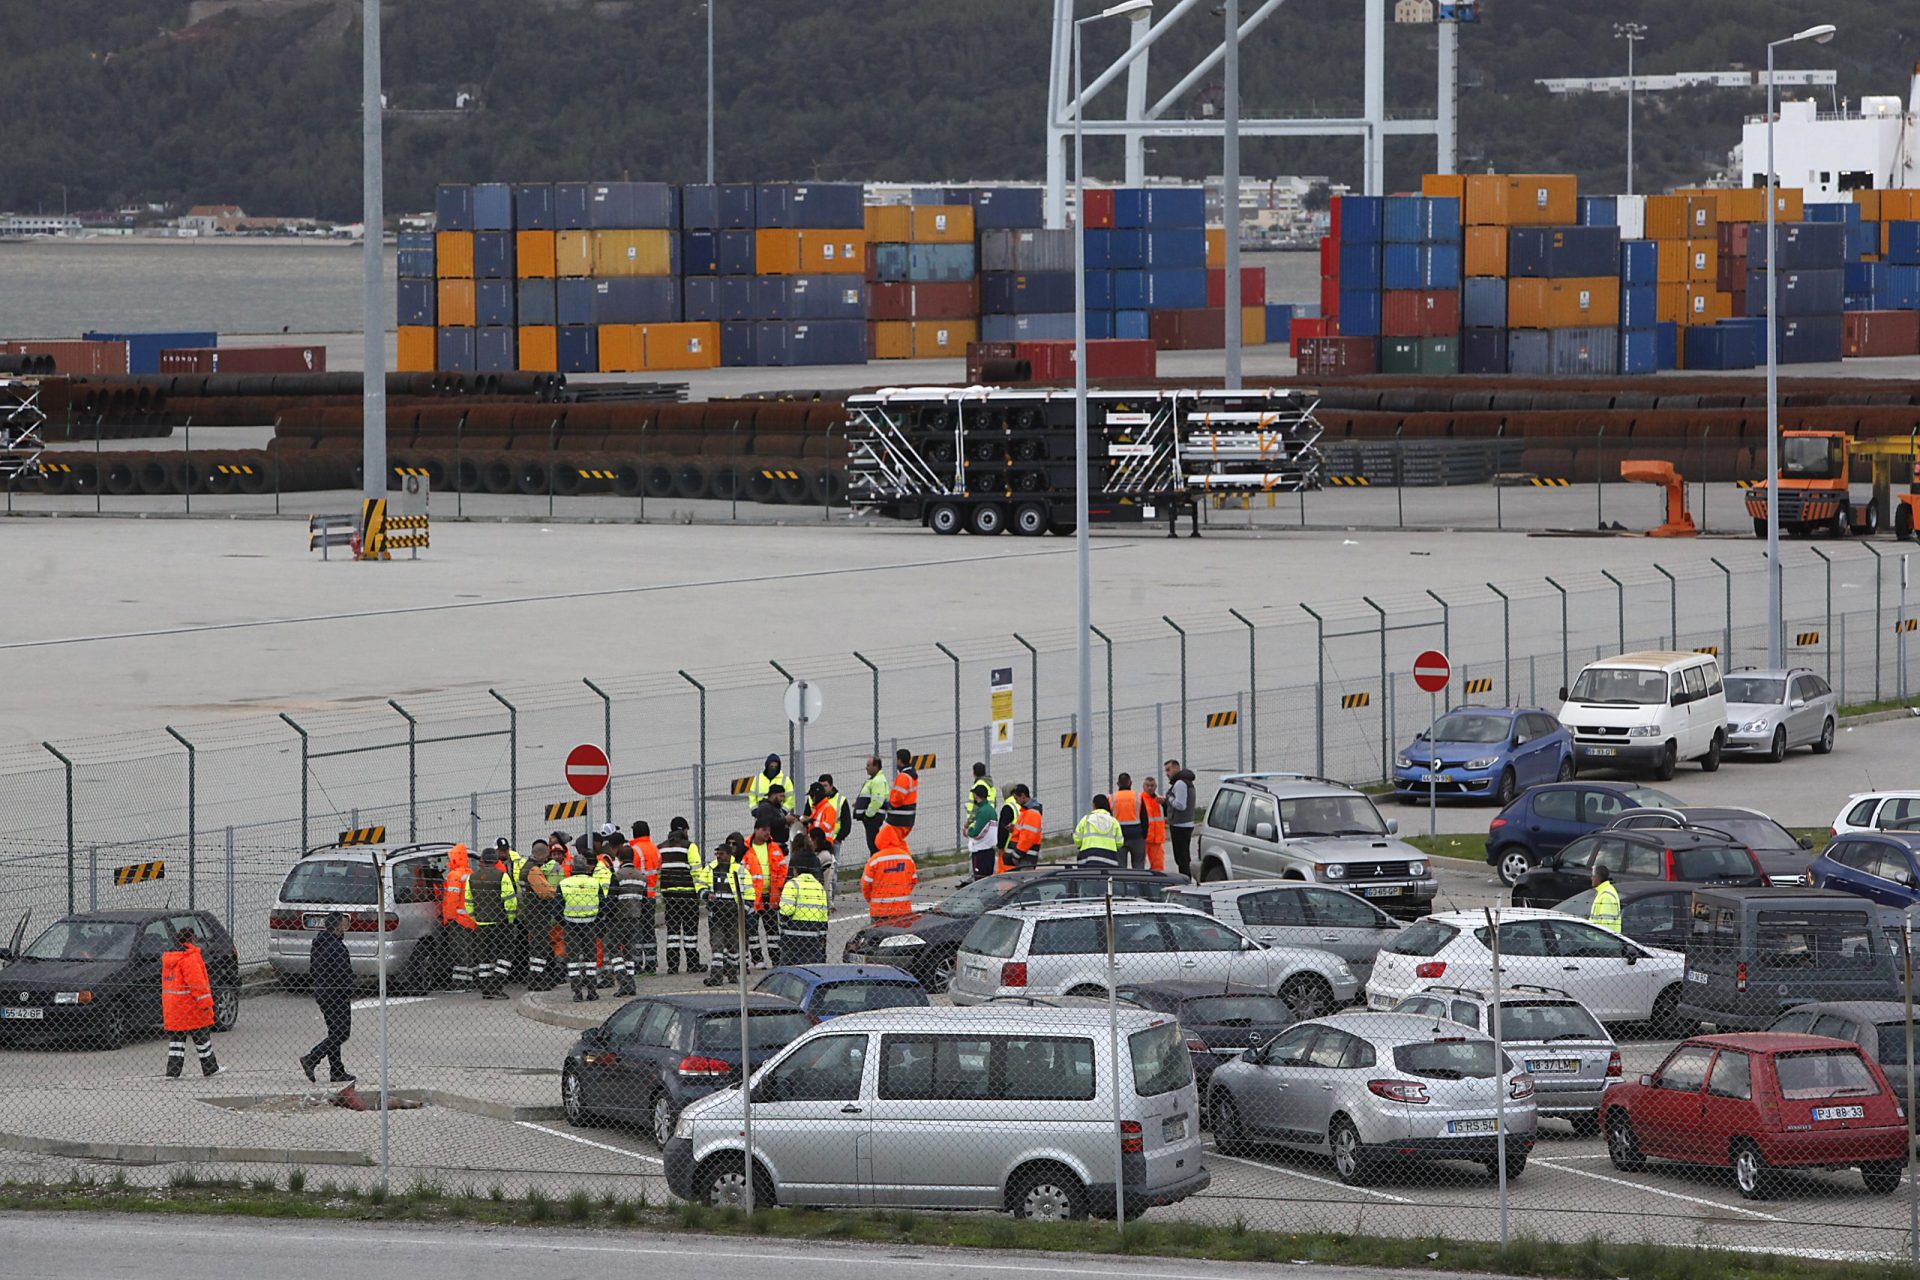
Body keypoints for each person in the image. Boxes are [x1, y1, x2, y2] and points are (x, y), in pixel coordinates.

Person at [301, 912, 355, 1083]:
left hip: (323, 993)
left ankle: (337, 1070)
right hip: (337, 995)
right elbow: (342, 973)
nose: (345, 929)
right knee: (341, 1033)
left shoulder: (319, 943)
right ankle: (312, 1058)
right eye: (343, 925)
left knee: (334, 1032)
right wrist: (349, 988)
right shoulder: (337, 948)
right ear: (337, 927)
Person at [161, 925, 222, 1078]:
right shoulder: (190, 958)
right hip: (191, 1007)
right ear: (192, 939)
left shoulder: (170, 958)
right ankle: (210, 1068)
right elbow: (197, 984)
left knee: (176, 1041)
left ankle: (173, 1072)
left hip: (174, 1007)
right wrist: (206, 1004)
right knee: (202, 1039)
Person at [465, 842, 519, 999]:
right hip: (500, 922)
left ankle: (486, 989)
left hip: (481, 923)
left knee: (484, 957)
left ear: (482, 860)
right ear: (496, 860)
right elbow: (510, 900)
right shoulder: (502, 876)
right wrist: (510, 918)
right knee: (505, 954)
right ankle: (497, 985)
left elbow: (468, 901)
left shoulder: (472, 878)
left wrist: (475, 917)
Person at [657, 816, 708, 974]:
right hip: (687, 894)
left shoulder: (661, 848)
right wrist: (700, 891)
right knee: (690, 931)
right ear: (685, 829)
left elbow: (659, 872)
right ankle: (692, 963)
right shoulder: (689, 847)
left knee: (672, 932)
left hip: (669, 895)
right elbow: (697, 870)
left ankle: (672, 965)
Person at [704, 836, 755, 987]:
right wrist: (706, 895)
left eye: (721, 854)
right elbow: (700, 885)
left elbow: (749, 892)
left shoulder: (740, 870)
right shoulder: (710, 870)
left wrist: (743, 910)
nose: (718, 856)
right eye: (717, 854)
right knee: (717, 946)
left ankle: (732, 974)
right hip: (717, 914)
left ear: (728, 855)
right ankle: (716, 977)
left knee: (734, 946)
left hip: (733, 914)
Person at [559, 855, 605, 1003]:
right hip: (590, 924)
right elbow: (602, 905)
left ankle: (577, 992)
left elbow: (557, 908)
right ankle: (592, 991)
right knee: (590, 959)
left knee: (572, 960)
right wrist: (597, 921)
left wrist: (564, 921)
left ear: (572, 868)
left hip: (571, 925)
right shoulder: (594, 883)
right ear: (585, 867)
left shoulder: (564, 883)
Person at [607, 842, 650, 996]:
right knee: (629, 954)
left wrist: (606, 916)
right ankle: (631, 983)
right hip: (635, 919)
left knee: (613, 951)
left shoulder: (617, 876)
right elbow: (645, 902)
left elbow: (611, 900)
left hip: (618, 919)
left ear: (618, 857)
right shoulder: (641, 877)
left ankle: (624, 981)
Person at [743, 823, 787, 969]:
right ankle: (757, 959)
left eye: (768, 830)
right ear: (756, 830)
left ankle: (776, 959)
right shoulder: (746, 847)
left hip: (771, 896)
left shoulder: (774, 848)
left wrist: (779, 889)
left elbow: (782, 869)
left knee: (773, 931)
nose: (767, 833)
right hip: (753, 896)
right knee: (752, 930)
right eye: (764, 830)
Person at [778, 845, 831, 965]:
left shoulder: (792, 885)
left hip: (792, 937)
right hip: (812, 938)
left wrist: (784, 925)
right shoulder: (819, 887)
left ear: (795, 869)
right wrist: (821, 937)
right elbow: (823, 916)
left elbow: (786, 910)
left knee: (790, 971)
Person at [518, 840, 558, 991]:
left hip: (530, 912)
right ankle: (537, 979)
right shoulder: (533, 870)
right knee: (539, 947)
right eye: (546, 856)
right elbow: (544, 892)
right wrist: (558, 892)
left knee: (537, 946)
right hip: (538, 914)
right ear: (542, 855)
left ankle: (536, 977)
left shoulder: (525, 868)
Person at [862, 823, 918, 923]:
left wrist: (870, 899)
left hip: (880, 910)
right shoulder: (906, 858)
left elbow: (866, 884)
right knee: (901, 936)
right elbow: (913, 880)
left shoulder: (875, 859)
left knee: (878, 936)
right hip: (903, 909)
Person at [439, 842, 476, 990]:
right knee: (469, 950)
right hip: (470, 918)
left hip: (458, 919)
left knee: (458, 951)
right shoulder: (470, 873)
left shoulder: (454, 875)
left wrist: (448, 917)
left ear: (455, 858)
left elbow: (452, 899)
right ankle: (469, 981)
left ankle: (459, 983)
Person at [628, 820, 662, 975]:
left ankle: (636, 963)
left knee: (636, 930)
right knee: (649, 930)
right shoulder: (655, 848)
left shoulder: (634, 849)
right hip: (651, 894)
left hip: (638, 896)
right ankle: (651, 963)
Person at [1163, 760, 1197, 878]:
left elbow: (1181, 805)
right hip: (1186, 823)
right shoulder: (1187, 782)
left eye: (1168, 770)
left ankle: (1185, 879)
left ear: (1176, 768)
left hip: (1180, 825)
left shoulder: (1180, 784)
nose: (1167, 773)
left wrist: (1169, 799)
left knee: (1181, 858)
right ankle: (1186, 877)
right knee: (1183, 856)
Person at [999, 784, 1044, 873]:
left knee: (1025, 882)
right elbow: (1025, 832)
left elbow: (1027, 839)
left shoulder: (1031, 813)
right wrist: (1014, 829)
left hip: (1025, 857)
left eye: (1016, 798)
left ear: (1023, 796)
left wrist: (1016, 855)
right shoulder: (1027, 812)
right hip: (1024, 857)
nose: (1016, 802)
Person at [1073, 795, 1124, 868]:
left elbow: (1077, 840)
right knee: (1108, 879)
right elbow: (1119, 843)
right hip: (1109, 858)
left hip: (1088, 857)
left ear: (1094, 805)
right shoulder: (1113, 821)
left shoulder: (1086, 819)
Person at [854, 756, 890, 855]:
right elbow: (870, 797)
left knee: (873, 844)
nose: (866, 768)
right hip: (871, 818)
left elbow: (877, 801)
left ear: (876, 766)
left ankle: (877, 864)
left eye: (868, 765)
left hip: (873, 818)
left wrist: (867, 815)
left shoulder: (878, 781)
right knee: (872, 843)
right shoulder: (873, 780)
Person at [1111, 773, 1146, 870]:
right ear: (1130, 783)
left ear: (1118, 784)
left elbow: (1108, 818)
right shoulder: (1137, 797)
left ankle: (1122, 884)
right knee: (1139, 864)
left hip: (1118, 835)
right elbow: (1144, 818)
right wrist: (1144, 835)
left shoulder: (1112, 798)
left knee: (1120, 867)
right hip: (1136, 834)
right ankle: (1139, 884)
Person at [965, 782, 998, 881]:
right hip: (989, 850)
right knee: (988, 881)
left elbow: (976, 832)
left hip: (981, 851)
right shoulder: (990, 809)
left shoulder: (983, 811)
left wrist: (968, 831)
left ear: (976, 795)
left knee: (980, 881)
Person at [882, 748, 919, 836]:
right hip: (907, 818)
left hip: (898, 819)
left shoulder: (903, 777)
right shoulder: (912, 775)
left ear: (899, 760)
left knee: (885, 842)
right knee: (897, 843)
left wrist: (889, 805)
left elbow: (898, 799)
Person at [1141, 778, 1168, 873]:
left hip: (1157, 838)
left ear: (1155, 786)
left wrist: (1164, 804)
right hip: (1145, 837)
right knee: (1140, 864)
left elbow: (1168, 813)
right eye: (1147, 785)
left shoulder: (1160, 800)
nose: (1149, 788)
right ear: (1143, 786)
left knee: (1158, 865)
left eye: (1152, 785)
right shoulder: (1140, 800)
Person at [1590, 864, 1622, 934]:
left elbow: (1606, 927)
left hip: (1601, 942)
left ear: (1598, 878)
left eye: (1593, 876)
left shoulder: (1606, 896)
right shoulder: (1603, 891)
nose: (1591, 878)